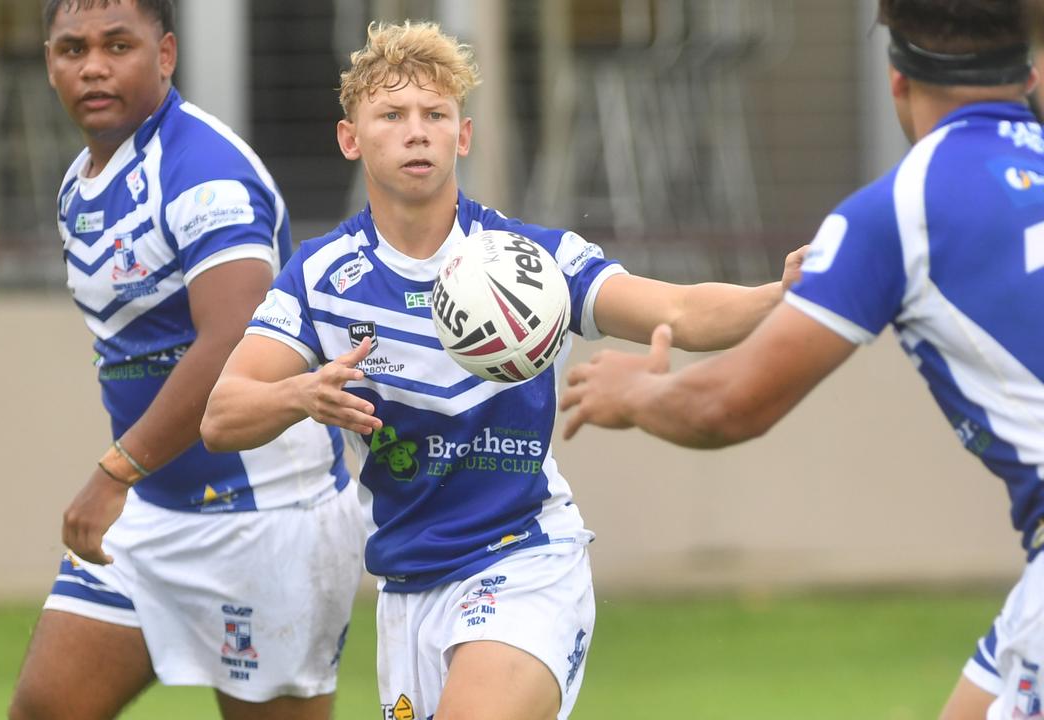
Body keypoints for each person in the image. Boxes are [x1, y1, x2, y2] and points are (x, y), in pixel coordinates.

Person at [200, 20, 804, 720]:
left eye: (435, 115)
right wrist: (303, 393)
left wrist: (778, 297)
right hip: (408, 587)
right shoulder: (321, 278)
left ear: (464, 136)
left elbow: (676, 307)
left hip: (525, 562)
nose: (416, 131)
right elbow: (221, 416)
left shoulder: (530, 264)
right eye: (392, 115)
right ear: (350, 138)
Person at [559, 1, 1043, 718]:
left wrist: (635, 394)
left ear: (896, 81)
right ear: (1028, 73)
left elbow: (732, 404)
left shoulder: (899, 212)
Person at [8, 2, 364, 719]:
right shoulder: (80, 184)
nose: (94, 66)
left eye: (118, 45)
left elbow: (233, 334)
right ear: (50, 62)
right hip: (155, 513)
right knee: (45, 708)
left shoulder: (206, 171)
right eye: (73, 48)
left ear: (165, 54)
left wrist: (116, 470)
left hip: (267, 515)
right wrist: (134, 479)